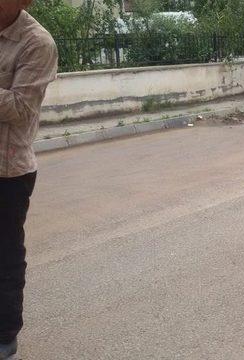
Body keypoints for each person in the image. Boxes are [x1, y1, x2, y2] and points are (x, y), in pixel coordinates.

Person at [0, 1, 58, 358]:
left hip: (8, 172)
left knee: (5, 256)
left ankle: (5, 332)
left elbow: (21, 108)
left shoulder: (37, 42)